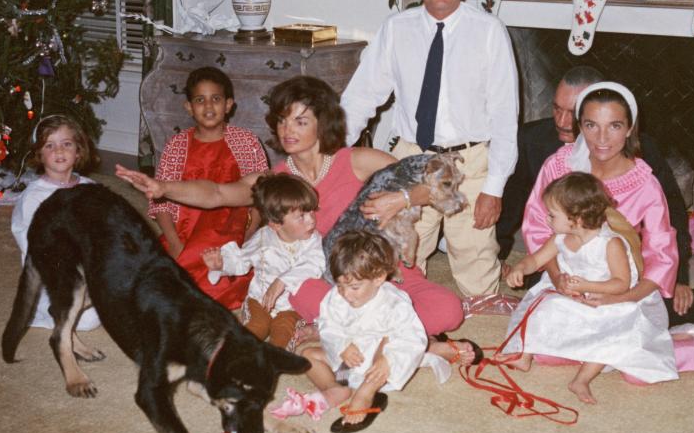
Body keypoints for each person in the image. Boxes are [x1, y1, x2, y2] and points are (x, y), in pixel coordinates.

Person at [116, 75, 479, 365]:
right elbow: (216, 193)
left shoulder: (356, 160)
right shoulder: (275, 181)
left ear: (323, 125)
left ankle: (359, 340)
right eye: (283, 119)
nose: (288, 129)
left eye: (301, 120)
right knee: (298, 291)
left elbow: (434, 180)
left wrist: (400, 199)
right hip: (325, 284)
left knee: (449, 311)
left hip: (383, 270)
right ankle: (407, 344)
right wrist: (162, 186)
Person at [499, 66, 694, 327]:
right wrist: (559, 278)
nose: (602, 138)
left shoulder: (644, 178)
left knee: (662, 313)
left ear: (629, 128)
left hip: (623, 276)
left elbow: (662, 244)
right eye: (591, 125)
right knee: (544, 331)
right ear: (581, 125)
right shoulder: (558, 165)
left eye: (614, 126)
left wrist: (644, 291)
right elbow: (538, 228)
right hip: (566, 267)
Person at [340, 0, 519, 298]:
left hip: (470, 162)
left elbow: (504, 116)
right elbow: (359, 99)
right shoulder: (396, 29)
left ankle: (480, 314)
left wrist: (494, 188)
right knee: (398, 263)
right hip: (413, 159)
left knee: (475, 264)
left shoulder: (488, 32)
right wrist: (330, 159)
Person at [500, 172, 677, 404]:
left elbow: (621, 283)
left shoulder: (610, 243)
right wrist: (520, 269)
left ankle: (582, 379)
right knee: (542, 307)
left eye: (552, 215)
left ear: (577, 219)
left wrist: (587, 285)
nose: (547, 219)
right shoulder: (560, 238)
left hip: (608, 299)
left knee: (613, 331)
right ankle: (524, 356)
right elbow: (535, 260)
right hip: (572, 297)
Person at [148, 66, 268, 309]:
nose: (209, 106)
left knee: (228, 281)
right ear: (189, 107)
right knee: (167, 281)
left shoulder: (246, 142)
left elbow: (262, 196)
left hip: (232, 232)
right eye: (200, 100)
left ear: (228, 105)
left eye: (216, 99)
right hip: (186, 231)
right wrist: (174, 244)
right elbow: (159, 201)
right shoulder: (176, 145)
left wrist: (250, 233)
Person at [301, 231, 444, 433]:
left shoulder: (394, 302)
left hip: (378, 359)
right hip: (349, 357)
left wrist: (387, 360)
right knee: (307, 356)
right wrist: (341, 345)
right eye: (340, 286)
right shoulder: (336, 297)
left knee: (387, 349)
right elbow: (328, 324)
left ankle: (366, 392)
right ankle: (334, 387)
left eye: (354, 287)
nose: (346, 294)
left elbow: (409, 337)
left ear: (378, 278)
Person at [202, 175, 325, 349]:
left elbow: (314, 264)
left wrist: (282, 281)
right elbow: (241, 260)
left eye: (311, 211)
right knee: (254, 330)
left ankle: (270, 365)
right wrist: (221, 265)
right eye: (301, 216)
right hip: (260, 299)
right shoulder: (263, 238)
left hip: (291, 307)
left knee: (282, 337)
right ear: (275, 225)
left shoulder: (314, 240)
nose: (311, 220)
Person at [11, 114, 100, 331]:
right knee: (87, 321)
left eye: (66, 144)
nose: (59, 151)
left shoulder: (90, 187)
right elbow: (31, 244)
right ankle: (45, 313)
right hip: (53, 276)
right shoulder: (34, 197)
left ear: (78, 150)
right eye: (50, 145)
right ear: (39, 155)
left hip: (89, 269)